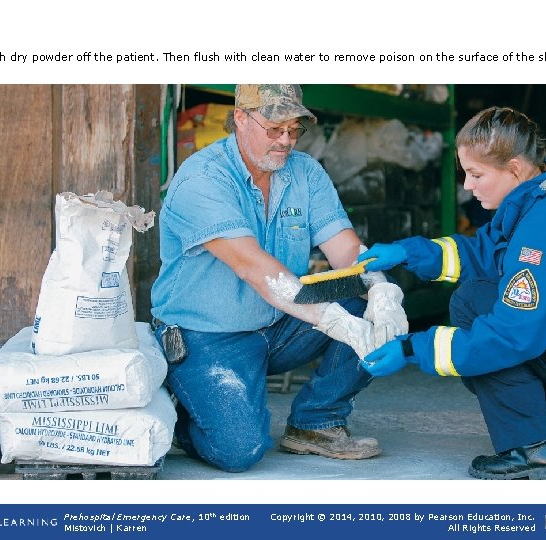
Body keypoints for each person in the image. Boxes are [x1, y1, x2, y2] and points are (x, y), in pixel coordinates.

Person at [150, 84, 407, 472]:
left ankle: (316, 422)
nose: (285, 141)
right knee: (240, 450)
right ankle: (184, 412)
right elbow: (254, 268)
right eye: (274, 128)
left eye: (294, 129)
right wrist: (337, 323)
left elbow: (346, 251)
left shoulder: (305, 172)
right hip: (208, 334)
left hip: (279, 324)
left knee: (365, 296)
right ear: (240, 118)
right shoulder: (202, 179)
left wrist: (384, 291)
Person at [358, 106, 546, 480]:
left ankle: (532, 449)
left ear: (514, 168)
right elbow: (488, 254)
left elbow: (510, 336)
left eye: (476, 174)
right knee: (486, 311)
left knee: (475, 308)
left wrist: (412, 348)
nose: (467, 186)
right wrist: (410, 252)